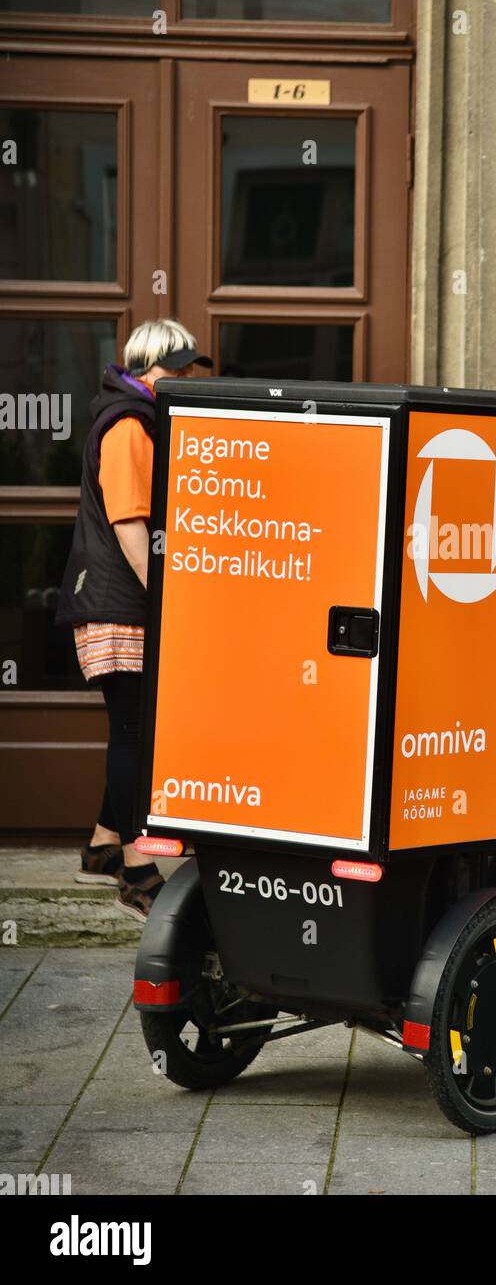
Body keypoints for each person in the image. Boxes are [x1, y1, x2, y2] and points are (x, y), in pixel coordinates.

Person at [56, 320, 211, 920]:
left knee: (129, 727)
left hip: (118, 602)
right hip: (121, 606)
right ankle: (137, 872)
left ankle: (101, 847)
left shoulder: (136, 417)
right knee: (133, 735)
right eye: (179, 369)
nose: (189, 379)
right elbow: (129, 524)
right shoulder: (128, 425)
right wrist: (165, 596)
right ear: (150, 369)